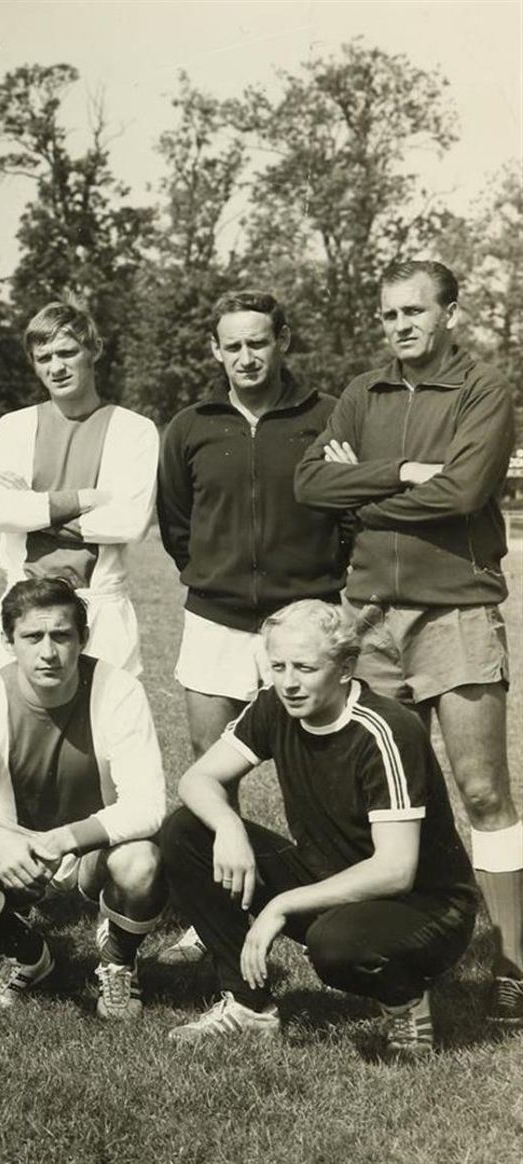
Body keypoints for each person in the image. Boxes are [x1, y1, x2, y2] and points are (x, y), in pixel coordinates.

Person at [294, 259, 522, 1022]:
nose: (401, 326)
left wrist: (365, 492)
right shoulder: (362, 392)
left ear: (450, 313)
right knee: (388, 806)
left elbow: (464, 491)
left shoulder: (484, 388)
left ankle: (512, 968)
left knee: (484, 791)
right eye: (389, 314)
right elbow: (309, 485)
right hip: (369, 619)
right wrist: (406, 472)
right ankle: (406, 981)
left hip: (455, 610)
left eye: (415, 311)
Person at [161, 600, 478, 1057]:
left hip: (424, 908)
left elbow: (395, 870)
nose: (289, 682)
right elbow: (196, 779)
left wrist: (281, 906)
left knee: (336, 947)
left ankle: (405, 1001)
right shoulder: (275, 705)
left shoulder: (387, 730)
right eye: (278, 666)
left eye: (305, 668)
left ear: (346, 667)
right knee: (188, 832)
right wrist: (229, 825)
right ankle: (249, 1007)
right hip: (332, 884)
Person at [153, 289, 347, 966]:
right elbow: (177, 524)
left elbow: (348, 514)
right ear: (215, 351)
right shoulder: (190, 426)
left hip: (299, 626)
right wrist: (215, 577)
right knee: (214, 775)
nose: (246, 357)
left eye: (257, 342)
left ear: (280, 342)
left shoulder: (324, 417)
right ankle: (208, 922)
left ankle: (331, 914)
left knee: (317, 777)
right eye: (232, 345)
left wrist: (313, 595)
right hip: (214, 622)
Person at [0, 578, 167, 1018]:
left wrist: (64, 839)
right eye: (33, 637)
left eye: (62, 636)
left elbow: (147, 806)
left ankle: (117, 963)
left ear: (84, 638)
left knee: (142, 861)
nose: (48, 652)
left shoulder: (119, 690)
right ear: (8, 641)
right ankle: (29, 956)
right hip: (17, 845)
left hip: (93, 849)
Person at [0, 302, 157, 675]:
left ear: (93, 349)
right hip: (23, 603)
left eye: (67, 352)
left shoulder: (133, 429)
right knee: (19, 723)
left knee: (102, 724)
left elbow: (130, 523)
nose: (56, 367)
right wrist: (83, 500)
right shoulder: (13, 428)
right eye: (44, 357)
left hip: (101, 608)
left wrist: (33, 509)